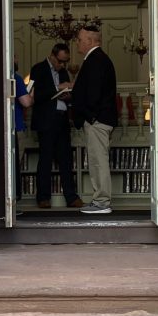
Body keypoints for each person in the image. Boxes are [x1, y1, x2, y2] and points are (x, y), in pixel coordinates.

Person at [69, 25, 117, 215]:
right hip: (98, 118)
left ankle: (102, 202)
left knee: (98, 161)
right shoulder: (98, 59)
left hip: (97, 120)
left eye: (80, 40)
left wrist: (90, 117)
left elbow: (93, 93)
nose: (78, 43)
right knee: (97, 160)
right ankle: (100, 200)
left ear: (90, 41)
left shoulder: (96, 60)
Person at [28, 43, 81, 210]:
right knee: (45, 159)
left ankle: (71, 198)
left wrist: (68, 96)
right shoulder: (38, 69)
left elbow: (67, 94)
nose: (63, 65)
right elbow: (36, 96)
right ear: (52, 55)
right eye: (60, 61)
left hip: (62, 120)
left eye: (65, 62)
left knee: (66, 160)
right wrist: (57, 88)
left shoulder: (64, 71)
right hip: (46, 121)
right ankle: (43, 198)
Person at [12, 62, 33, 201]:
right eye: (14, 56)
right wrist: (32, 94)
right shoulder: (16, 78)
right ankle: (13, 201)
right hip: (16, 127)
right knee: (14, 168)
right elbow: (26, 102)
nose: (17, 59)